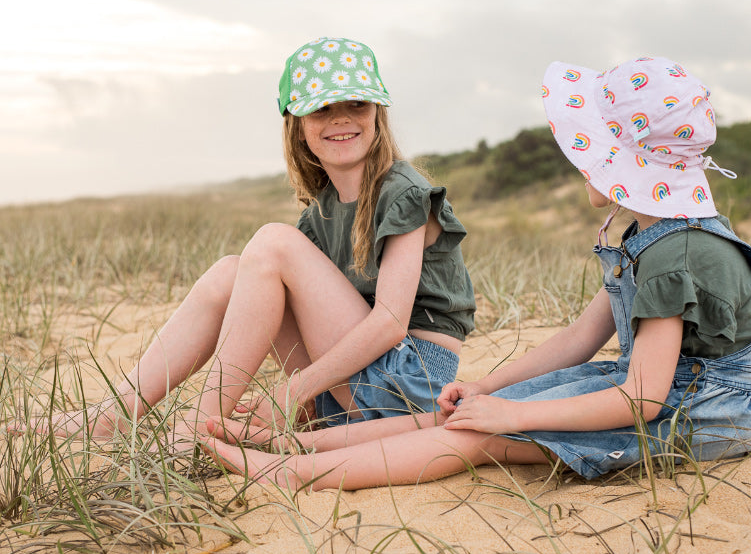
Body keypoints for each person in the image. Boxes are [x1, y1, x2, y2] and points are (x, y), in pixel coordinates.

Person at [202, 56, 751, 490]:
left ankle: (298, 475)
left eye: (593, 150)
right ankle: (292, 444)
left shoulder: (674, 257)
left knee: (477, 437)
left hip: (703, 412)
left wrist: (515, 413)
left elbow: (643, 399)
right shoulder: (649, 238)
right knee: (454, 412)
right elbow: (580, 339)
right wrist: (486, 387)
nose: (581, 161)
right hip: (661, 386)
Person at [15, 36, 475, 443]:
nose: (341, 119)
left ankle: (202, 422)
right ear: (297, 122)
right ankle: (118, 412)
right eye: (321, 108)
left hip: (414, 384)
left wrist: (290, 391)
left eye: (357, 104)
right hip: (356, 390)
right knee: (230, 272)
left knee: (273, 245)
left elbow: (391, 322)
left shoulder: (404, 192)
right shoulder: (321, 211)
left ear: (378, 112)